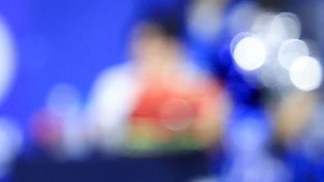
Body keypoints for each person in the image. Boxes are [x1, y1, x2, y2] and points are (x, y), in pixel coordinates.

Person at [83, 15, 222, 153]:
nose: (143, 48)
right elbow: (98, 129)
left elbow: (214, 130)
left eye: (151, 40)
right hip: (127, 167)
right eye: (139, 40)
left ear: (173, 45)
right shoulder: (114, 81)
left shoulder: (198, 80)